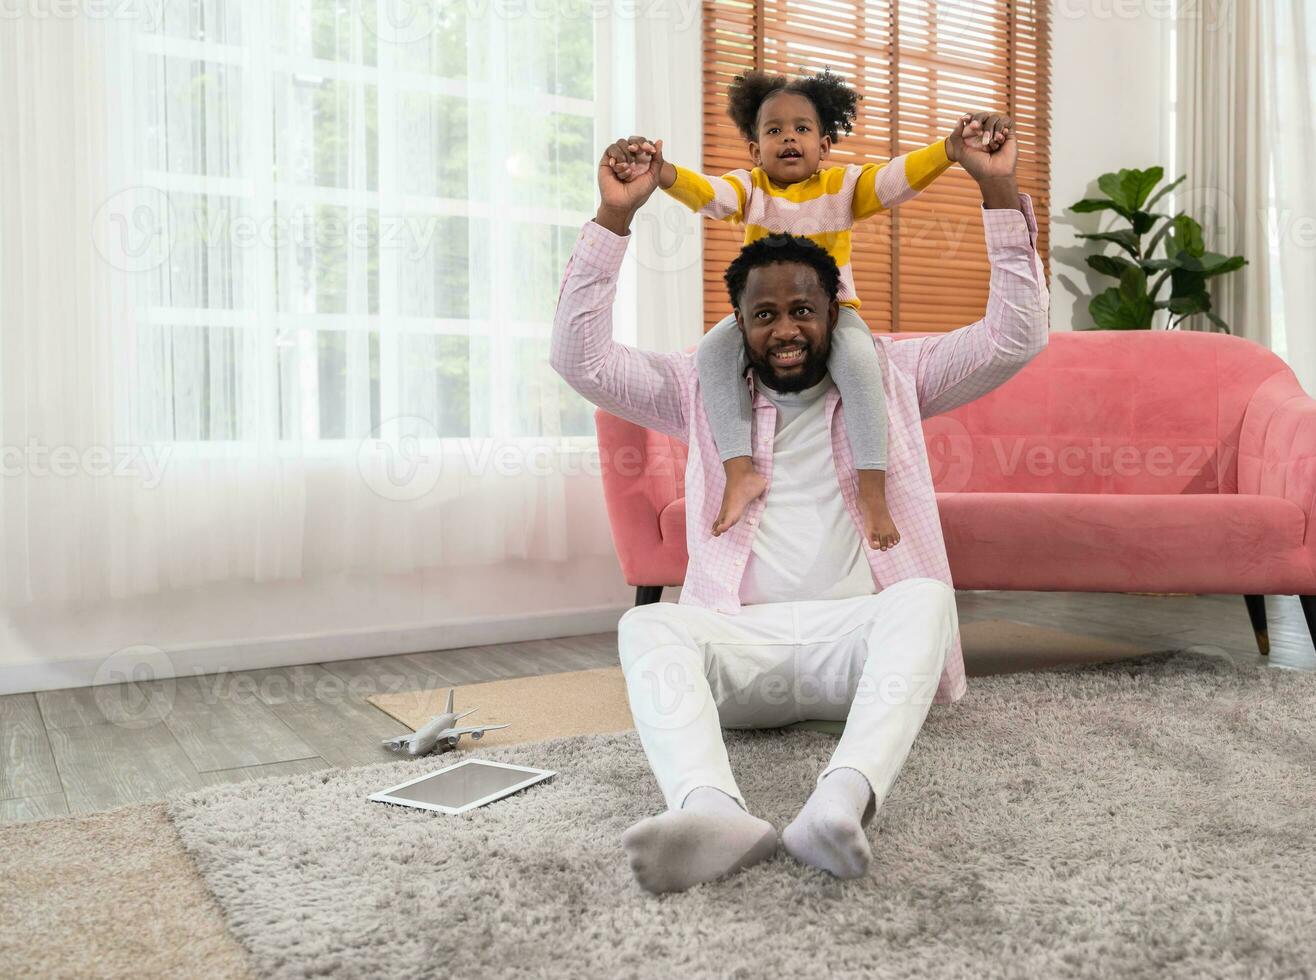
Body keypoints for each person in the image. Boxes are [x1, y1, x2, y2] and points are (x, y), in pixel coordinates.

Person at [550, 115, 1049, 894]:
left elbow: (1015, 337)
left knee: (924, 600)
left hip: (858, 654)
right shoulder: (695, 389)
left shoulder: (896, 374)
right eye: (765, 315)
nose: (786, 330)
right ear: (739, 327)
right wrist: (616, 216)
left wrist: (995, 188)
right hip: (742, 650)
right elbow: (578, 359)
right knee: (647, 622)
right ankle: (711, 810)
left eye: (803, 311)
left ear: (835, 314)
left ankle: (840, 800)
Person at [603, 68, 1013, 552]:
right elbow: (709, 195)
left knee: (861, 364)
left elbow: (895, 178)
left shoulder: (842, 187)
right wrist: (664, 173)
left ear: (824, 146)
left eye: (802, 129)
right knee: (711, 353)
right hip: (761, 318)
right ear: (756, 151)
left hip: (835, 313)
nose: (788, 138)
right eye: (773, 131)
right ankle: (740, 471)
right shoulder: (749, 188)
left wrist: (948, 151)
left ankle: (873, 489)